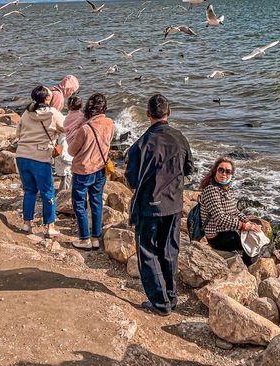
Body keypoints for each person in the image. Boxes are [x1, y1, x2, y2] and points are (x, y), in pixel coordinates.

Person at [126, 93, 194, 316]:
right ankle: (171, 297)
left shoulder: (141, 144)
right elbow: (189, 169)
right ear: (169, 113)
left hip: (149, 204)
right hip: (173, 204)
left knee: (147, 251)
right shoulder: (180, 138)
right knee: (169, 250)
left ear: (148, 115)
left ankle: (160, 301)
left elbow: (131, 180)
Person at [14, 85, 65, 237]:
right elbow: (65, 128)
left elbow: (18, 132)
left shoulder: (26, 112)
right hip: (40, 157)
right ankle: (50, 227)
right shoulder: (52, 113)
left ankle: (26, 224)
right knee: (48, 192)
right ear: (47, 98)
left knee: (29, 190)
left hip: (22, 155)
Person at [67, 92, 115, 251]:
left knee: (79, 204)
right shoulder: (110, 124)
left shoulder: (85, 129)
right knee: (96, 203)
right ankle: (96, 237)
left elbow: (72, 151)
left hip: (83, 170)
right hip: (100, 169)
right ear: (104, 108)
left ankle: (84, 238)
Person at [199, 157, 262, 265]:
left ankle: (247, 262)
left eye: (228, 171)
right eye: (221, 170)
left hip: (227, 230)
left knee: (257, 229)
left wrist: (247, 221)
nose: (224, 173)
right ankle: (248, 268)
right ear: (215, 171)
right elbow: (220, 218)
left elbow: (235, 211)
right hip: (217, 236)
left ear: (232, 174)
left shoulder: (228, 189)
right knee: (252, 242)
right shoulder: (211, 190)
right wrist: (244, 226)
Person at [48, 75, 80, 191]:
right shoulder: (59, 96)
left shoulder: (53, 89)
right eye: (73, 91)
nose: (72, 94)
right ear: (69, 88)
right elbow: (53, 115)